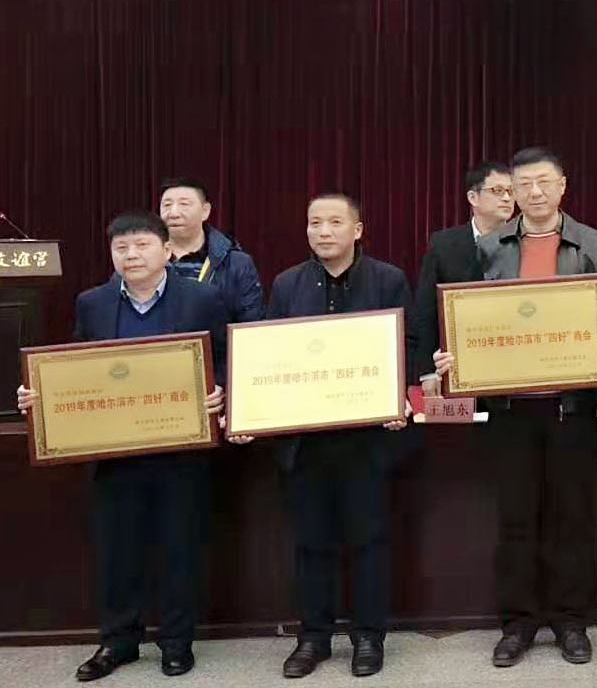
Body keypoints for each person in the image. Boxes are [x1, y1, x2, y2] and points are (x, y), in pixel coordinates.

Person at [16, 212, 228, 681]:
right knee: (117, 551)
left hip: (180, 449)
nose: (131, 255)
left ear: (166, 251)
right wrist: (39, 394)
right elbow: (74, 365)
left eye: (142, 245)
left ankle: (176, 642)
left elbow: (223, 357)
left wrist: (221, 392)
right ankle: (118, 641)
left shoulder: (203, 298)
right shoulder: (92, 303)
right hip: (114, 454)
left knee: (179, 547)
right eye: (121, 248)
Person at [432, 148, 597, 667]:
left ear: (563, 186)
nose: (534, 193)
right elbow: (474, 319)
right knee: (515, 519)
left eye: (544, 182)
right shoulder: (490, 247)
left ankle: (570, 621)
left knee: (571, 517)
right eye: (524, 185)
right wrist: (455, 353)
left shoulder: (593, 244)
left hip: (571, 407)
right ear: (512, 193)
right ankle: (517, 624)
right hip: (511, 408)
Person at [263, 194, 413, 679]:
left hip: (366, 439)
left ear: (357, 229)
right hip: (306, 441)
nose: (323, 231)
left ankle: (368, 636)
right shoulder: (286, 284)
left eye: (334, 222)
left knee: (369, 540)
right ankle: (314, 637)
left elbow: (408, 345)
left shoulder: (387, 279)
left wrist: (397, 396)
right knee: (311, 543)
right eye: (314, 223)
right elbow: (268, 351)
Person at [411, 162, 515, 392]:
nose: (507, 198)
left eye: (511, 191)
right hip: (456, 368)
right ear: (473, 197)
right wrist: (427, 372)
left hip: (512, 364)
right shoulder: (444, 244)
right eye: (498, 191)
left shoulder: (524, 242)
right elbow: (427, 311)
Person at [154, 176, 264, 323]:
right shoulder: (146, 259)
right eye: (166, 205)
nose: (173, 213)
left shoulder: (236, 263)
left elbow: (250, 324)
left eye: (184, 204)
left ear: (205, 211)